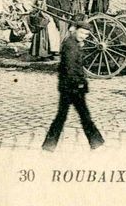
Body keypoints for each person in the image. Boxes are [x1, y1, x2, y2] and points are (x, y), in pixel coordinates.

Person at [42, 19, 104, 151]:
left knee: (65, 116)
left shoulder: (72, 43)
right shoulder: (70, 45)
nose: (84, 36)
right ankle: (96, 142)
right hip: (72, 87)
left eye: (86, 34)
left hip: (68, 86)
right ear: (75, 30)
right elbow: (70, 68)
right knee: (81, 116)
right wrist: (79, 84)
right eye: (82, 33)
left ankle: (49, 145)